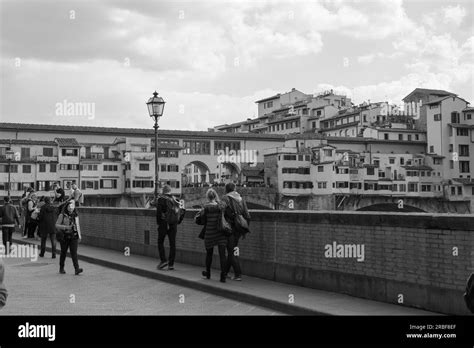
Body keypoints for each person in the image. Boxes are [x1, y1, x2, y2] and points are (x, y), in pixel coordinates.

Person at [195, 189, 227, 283]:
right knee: (222, 255)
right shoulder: (221, 206)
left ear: (208, 197)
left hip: (210, 232)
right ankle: (223, 276)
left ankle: (208, 273)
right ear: (215, 196)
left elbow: (202, 220)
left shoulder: (205, 207)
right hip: (221, 232)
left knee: (209, 254)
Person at [222, 182, 251, 281]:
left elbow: (221, 212)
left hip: (229, 227)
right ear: (234, 189)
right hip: (239, 228)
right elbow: (247, 215)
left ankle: (238, 274)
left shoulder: (225, 198)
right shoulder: (241, 198)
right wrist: (244, 229)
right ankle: (225, 272)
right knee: (232, 249)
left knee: (231, 251)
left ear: (226, 189)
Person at [155, 185, 179, 271]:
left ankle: (163, 261)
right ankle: (171, 264)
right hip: (173, 224)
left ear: (163, 191)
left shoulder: (161, 199)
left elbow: (158, 213)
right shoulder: (175, 199)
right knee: (172, 244)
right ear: (170, 191)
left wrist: (158, 223)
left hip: (164, 223)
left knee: (160, 241)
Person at [55, 201, 83, 275]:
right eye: (69, 207)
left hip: (74, 236)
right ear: (66, 208)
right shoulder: (62, 215)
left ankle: (76, 269)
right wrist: (66, 227)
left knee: (74, 253)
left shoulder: (75, 215)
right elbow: (57, 225)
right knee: (63, 252)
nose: (71, 209)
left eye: (72, 207)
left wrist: (79, 236)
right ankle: (61, 268)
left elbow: (78, 226)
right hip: (65, 236)